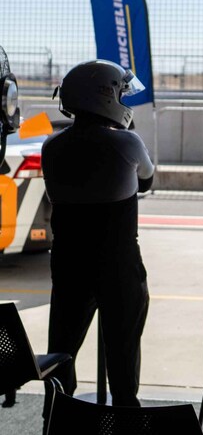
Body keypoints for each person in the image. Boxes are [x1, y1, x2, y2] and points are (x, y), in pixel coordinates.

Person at [41, 60, 154, 412]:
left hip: (69, 260)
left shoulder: (51, 147)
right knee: (122, 351)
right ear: (106, 97)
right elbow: (148, 181)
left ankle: (57, 416)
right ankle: (123, 417)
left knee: (62, 348)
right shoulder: (127, 144)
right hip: (117, 263)